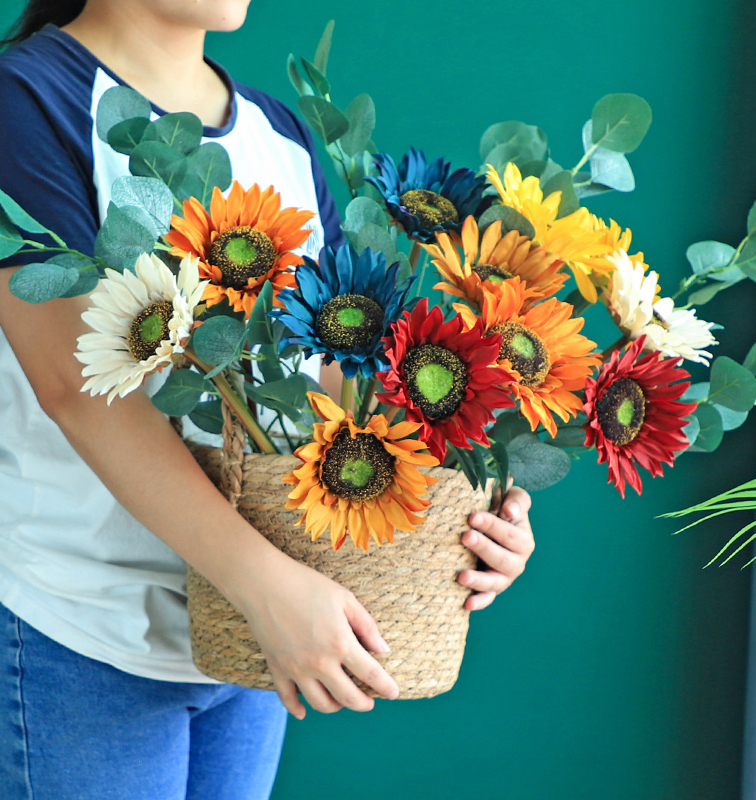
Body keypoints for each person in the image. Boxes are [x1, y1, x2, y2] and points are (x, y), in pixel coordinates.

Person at [0, 1, 536, 798]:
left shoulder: (279, 134)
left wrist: (468, 522)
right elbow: (78, 390)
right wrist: (268, 588)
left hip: (254, 639)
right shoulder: (25, 101)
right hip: (83, 631)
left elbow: (327, 396)